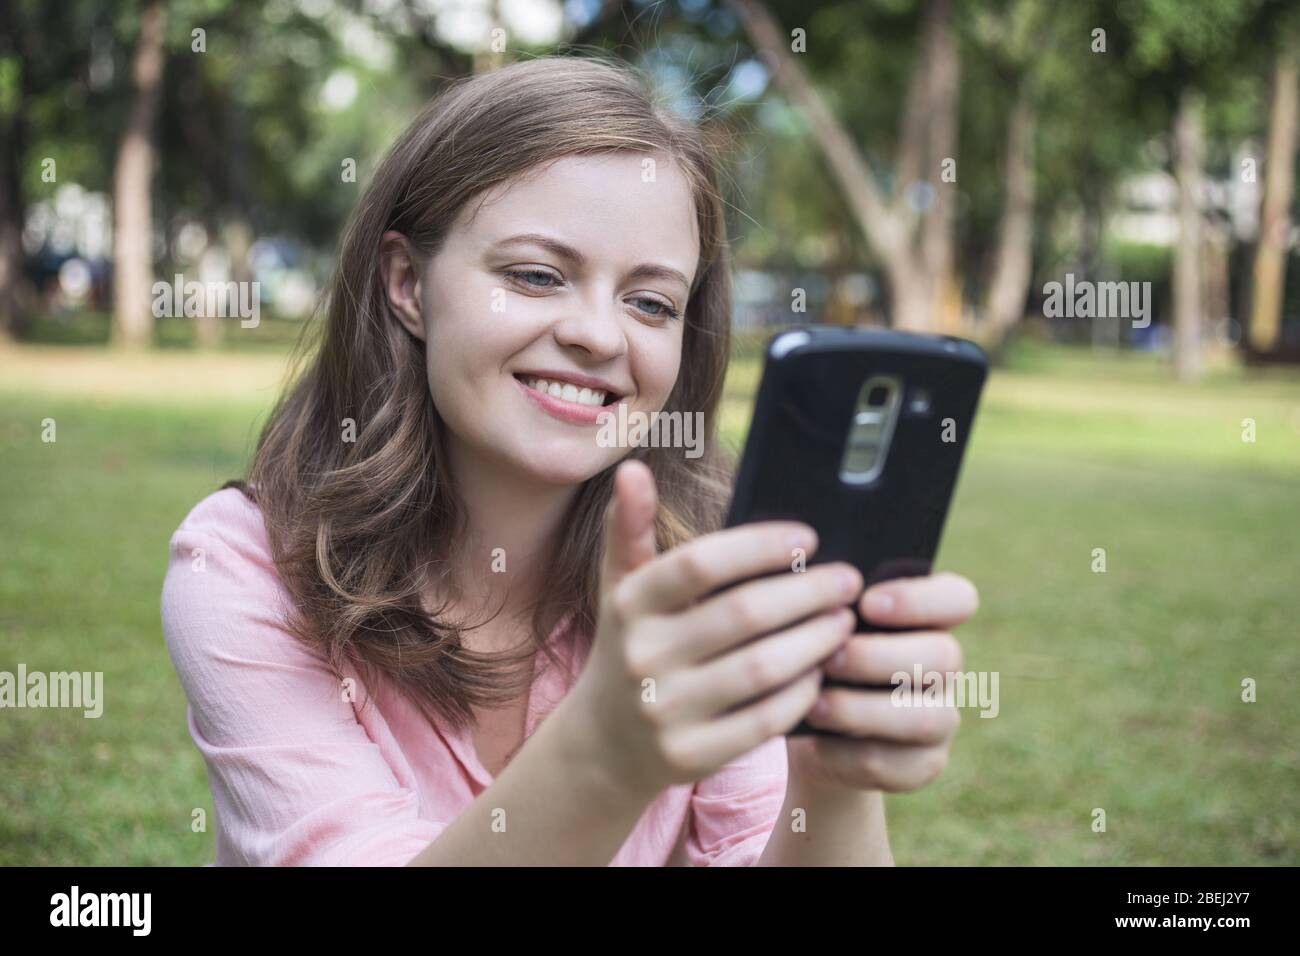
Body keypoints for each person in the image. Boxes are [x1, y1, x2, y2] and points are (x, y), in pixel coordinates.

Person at [160, 55, 978, 866]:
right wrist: (610, 750)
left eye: (651, 302)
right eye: (537, 275)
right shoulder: (242, 566)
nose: (599, 333)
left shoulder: (713, 574)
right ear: (407, 283)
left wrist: (831, 784)